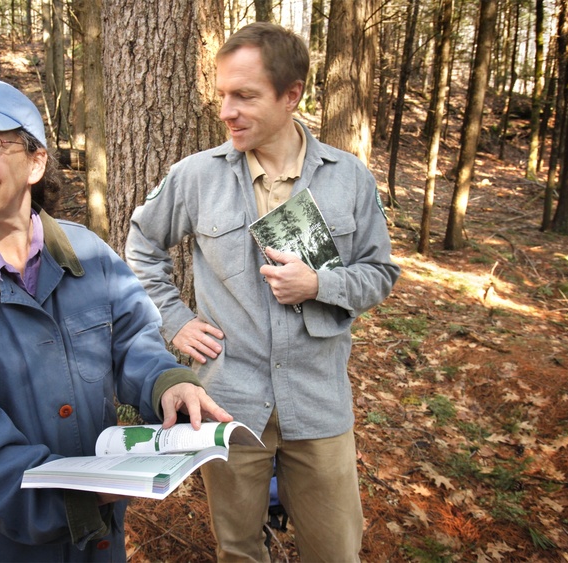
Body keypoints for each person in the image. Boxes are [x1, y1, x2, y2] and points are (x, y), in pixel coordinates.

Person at [0, 76, 232, 562]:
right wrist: (76, 496)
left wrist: (166, 382)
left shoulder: (88, 253)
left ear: (36, 161)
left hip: (95, 542)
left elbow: (132, 338)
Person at [125, 22, 401, 562]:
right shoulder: (196, 176)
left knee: (336, 550)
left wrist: (320, 283)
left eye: (245, 96)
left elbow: (380, 273)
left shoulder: (348, 178)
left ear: (291, 95)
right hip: (231, 401)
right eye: (223, 95)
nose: (227, 110)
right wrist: (174, 319)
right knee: (239, 552)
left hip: (318, 400)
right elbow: (140, 247)